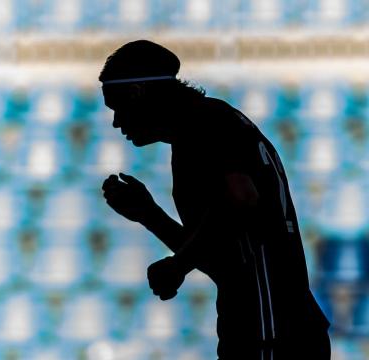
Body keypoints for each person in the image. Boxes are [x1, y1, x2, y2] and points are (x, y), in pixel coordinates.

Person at [100, 40, 331, 360]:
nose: (116, 122)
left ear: (137, 93)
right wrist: (149, 214)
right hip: (261, 328)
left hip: (271, 330)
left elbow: (242, 200)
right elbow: (221, 260)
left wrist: (177, 266)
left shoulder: (206, 123)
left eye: (116, 107)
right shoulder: (202, 130)